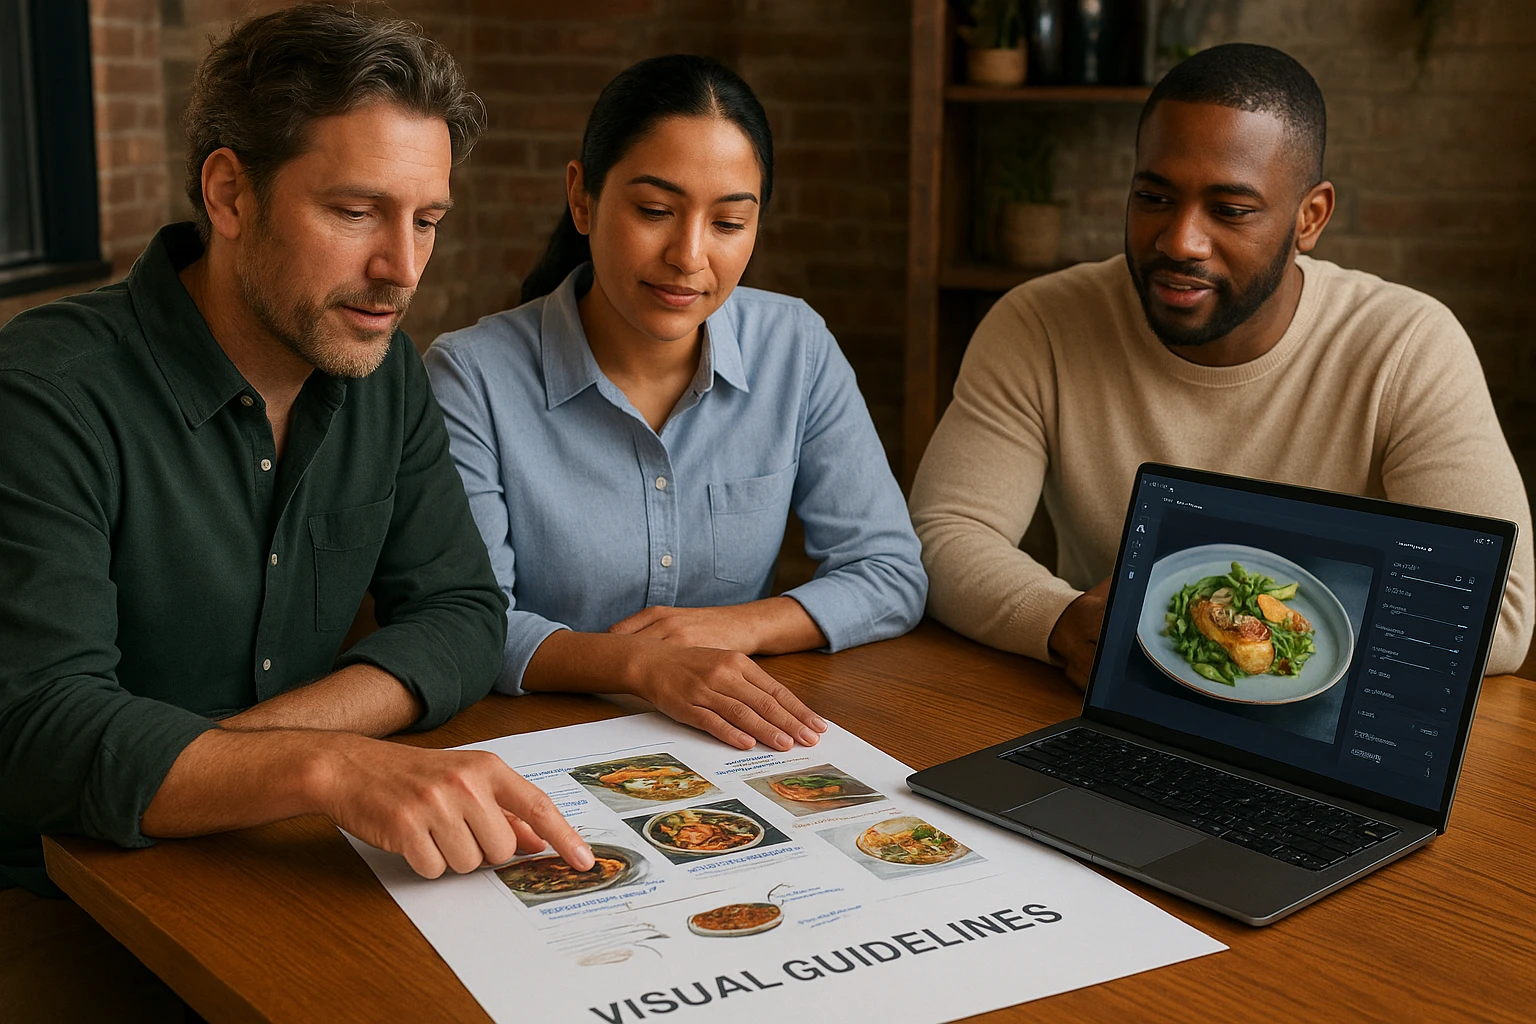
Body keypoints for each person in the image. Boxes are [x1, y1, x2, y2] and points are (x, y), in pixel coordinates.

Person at [0, 8, 591, 1017]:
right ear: (230, 193)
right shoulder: (45, 391)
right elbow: (41, 729)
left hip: (294, 877)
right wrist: (323, 766)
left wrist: (253, 759)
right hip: (71, 909)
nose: (403, 269)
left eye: (427, 219)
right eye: (357, 211)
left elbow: (458, 610)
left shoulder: (382, 369)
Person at [909, 43, 1533, 688]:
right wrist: (1062, 619)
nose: (1180, 241)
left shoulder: (1407, 346)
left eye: (1230, 211)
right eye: (1153, 197)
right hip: (1112, 698)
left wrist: (1237, 629)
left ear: (1309, 217)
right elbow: (945, 532)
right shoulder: (1039, 323)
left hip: (1324, 731)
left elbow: (1499, 613)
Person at [425, 55, 926, 752]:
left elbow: (892, 574)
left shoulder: (796, 347)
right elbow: (468, 624)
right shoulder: (471, 376)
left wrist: (736, 627)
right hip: (534, 745)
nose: (690, 256)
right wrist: (643, 664)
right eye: (655, 211)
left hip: (732, 742)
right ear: (583, 198)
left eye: (728, 223)